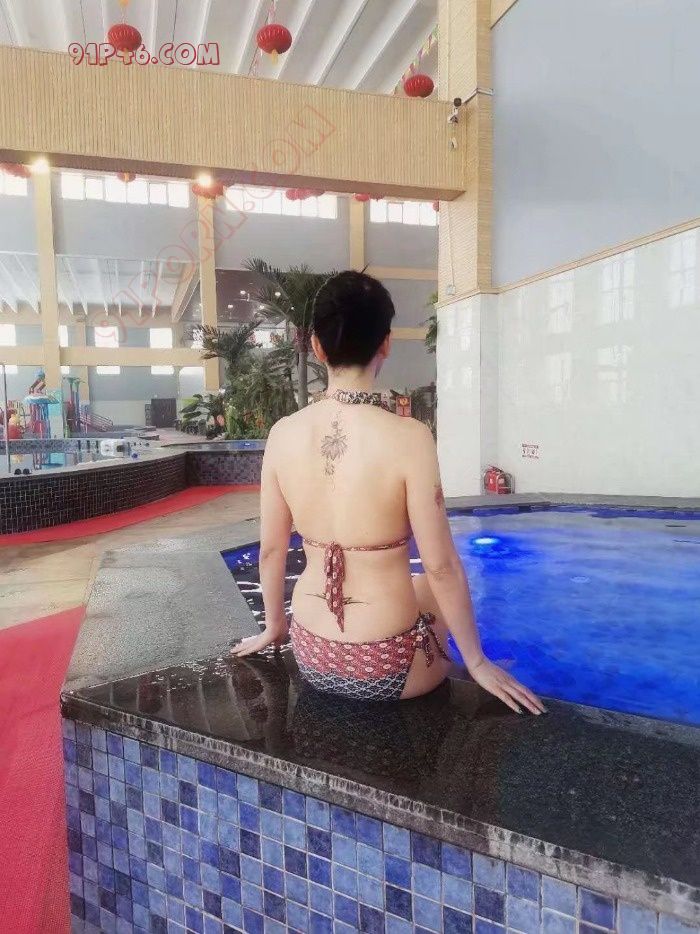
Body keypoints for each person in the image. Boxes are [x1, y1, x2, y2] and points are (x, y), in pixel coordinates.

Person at [232, 271, 544, 714]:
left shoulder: (283, 433)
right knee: (432, 584)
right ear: (386, 344)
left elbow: (270, 551)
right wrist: (476, 661)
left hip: (311, 653)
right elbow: (440, 565)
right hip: (388, 668)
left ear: (317, 346)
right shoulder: (410, 437)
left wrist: (273, 628)